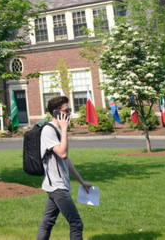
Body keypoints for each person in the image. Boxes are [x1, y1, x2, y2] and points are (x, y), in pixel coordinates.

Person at [37, 96, 93, 240]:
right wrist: (64, 129)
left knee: (47, 222)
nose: (70, 114)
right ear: (56, 113)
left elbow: (66, 160)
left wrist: (81, 181)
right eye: (67, 111)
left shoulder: (57, 130)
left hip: (57, 184)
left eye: (70, 110)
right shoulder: (48, 130)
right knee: (76, 224)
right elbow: (62, 153)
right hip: (57, 186)